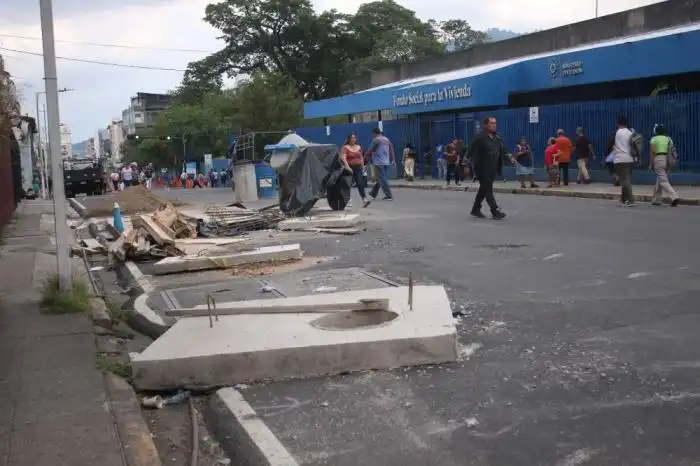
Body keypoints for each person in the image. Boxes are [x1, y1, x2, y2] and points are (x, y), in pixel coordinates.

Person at [467, 116, 508, 220]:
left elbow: (503, 149)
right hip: (481, 168)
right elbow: (470, 149)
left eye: (495, 123)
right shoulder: (479, 137)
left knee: (483, 189)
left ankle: (475, 209)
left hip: (492, 167)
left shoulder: (497, 137)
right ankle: (495, 211)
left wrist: (511, 157)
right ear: (486, 125)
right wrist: (465, 161)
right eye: (492, 123)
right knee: (488, 189)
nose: (494, 125)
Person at [649, 124, 680, 207]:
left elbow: (652, 152)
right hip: (667, 159)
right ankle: (657, 199)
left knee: (663, 181)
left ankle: (674, 197)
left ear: (656, 131)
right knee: (660, 179)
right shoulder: (667, 139)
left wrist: (651, 163)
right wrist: (670, 161)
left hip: (658, 159)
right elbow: (670, 150)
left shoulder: (653, 139)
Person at [363, 128, 395, 206]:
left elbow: (370, 150)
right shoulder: (386, 139)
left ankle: (388, 195)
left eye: (373, 134)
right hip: (386, 162)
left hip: (379, 162)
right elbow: (391, 149)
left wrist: (364, 156)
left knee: (383, 178)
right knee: (381, 178)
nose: (372, 135)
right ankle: (373, 193)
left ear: (374, 133)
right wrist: (393, 160)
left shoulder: (376, 140)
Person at [612, 116, 637, 207]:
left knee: (625, 180)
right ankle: (623, 199)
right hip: (630, 158)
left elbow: (614, 144)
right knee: (626, 179)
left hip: (620, 159)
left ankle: (631, 200)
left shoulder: (618, 132)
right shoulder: (630, 132)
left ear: (618, 123)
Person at [341, 133, 367, 208]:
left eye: (354, 138)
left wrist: (363, 167)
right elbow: (344, 158)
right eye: (352, 138)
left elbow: (361, 158)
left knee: (360, 183)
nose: (353, 139)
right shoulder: (345, 147)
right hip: (349, 168)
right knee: (348, 185)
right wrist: (348, 167)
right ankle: (348, 200)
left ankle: (364, 200)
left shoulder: (358, 147)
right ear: (349, 139)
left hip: (358, 168)